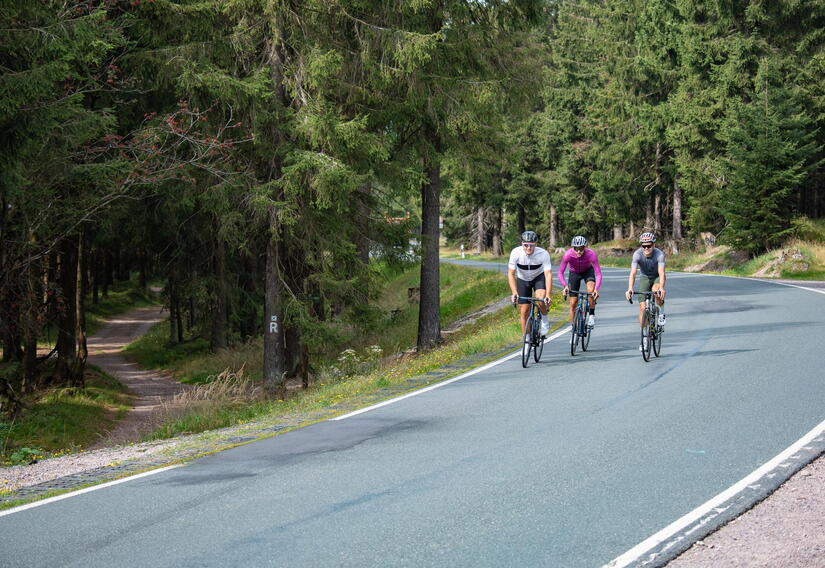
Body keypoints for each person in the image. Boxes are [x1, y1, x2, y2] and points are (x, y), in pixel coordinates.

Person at [625, 232, 667, 350]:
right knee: (643, 308)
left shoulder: (659, 254)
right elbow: (633, 273)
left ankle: (662, 312)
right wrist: (630, 288)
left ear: (654, 244)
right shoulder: (637, 254)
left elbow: (662, 272)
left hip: (657, 277)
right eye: (644, 246)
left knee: (656, 290)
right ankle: (644, 337)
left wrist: (662, 287)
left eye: (649, 245)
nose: (646, 248)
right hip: (644, 278)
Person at [508, 230, 553, 337]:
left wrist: (548, 295)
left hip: (538, 277)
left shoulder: (543, 253)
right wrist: (514, 292)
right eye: (526, 245)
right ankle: (526, 338)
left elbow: (548, 274)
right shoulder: (515, 253)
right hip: (523, 279)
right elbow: (511, 273)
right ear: (522, 244)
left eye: (531, 245)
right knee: (524, 310)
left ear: (535, 245)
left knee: (541, 299)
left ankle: (545, 321)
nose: (528, 248)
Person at [557, 235, 602, 328]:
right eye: (576, 248)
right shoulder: (568, 255)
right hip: (574, 273)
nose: (578, 251)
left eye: (581, 249)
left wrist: (596, 289)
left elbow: (598, 273)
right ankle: (573, 328)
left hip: (587, 271)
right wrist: (565, 285)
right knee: (573, 302)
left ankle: (591, 316)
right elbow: (560, 272)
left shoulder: (591, 254)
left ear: (585, 247)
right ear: (572, 247)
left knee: (590, 291)